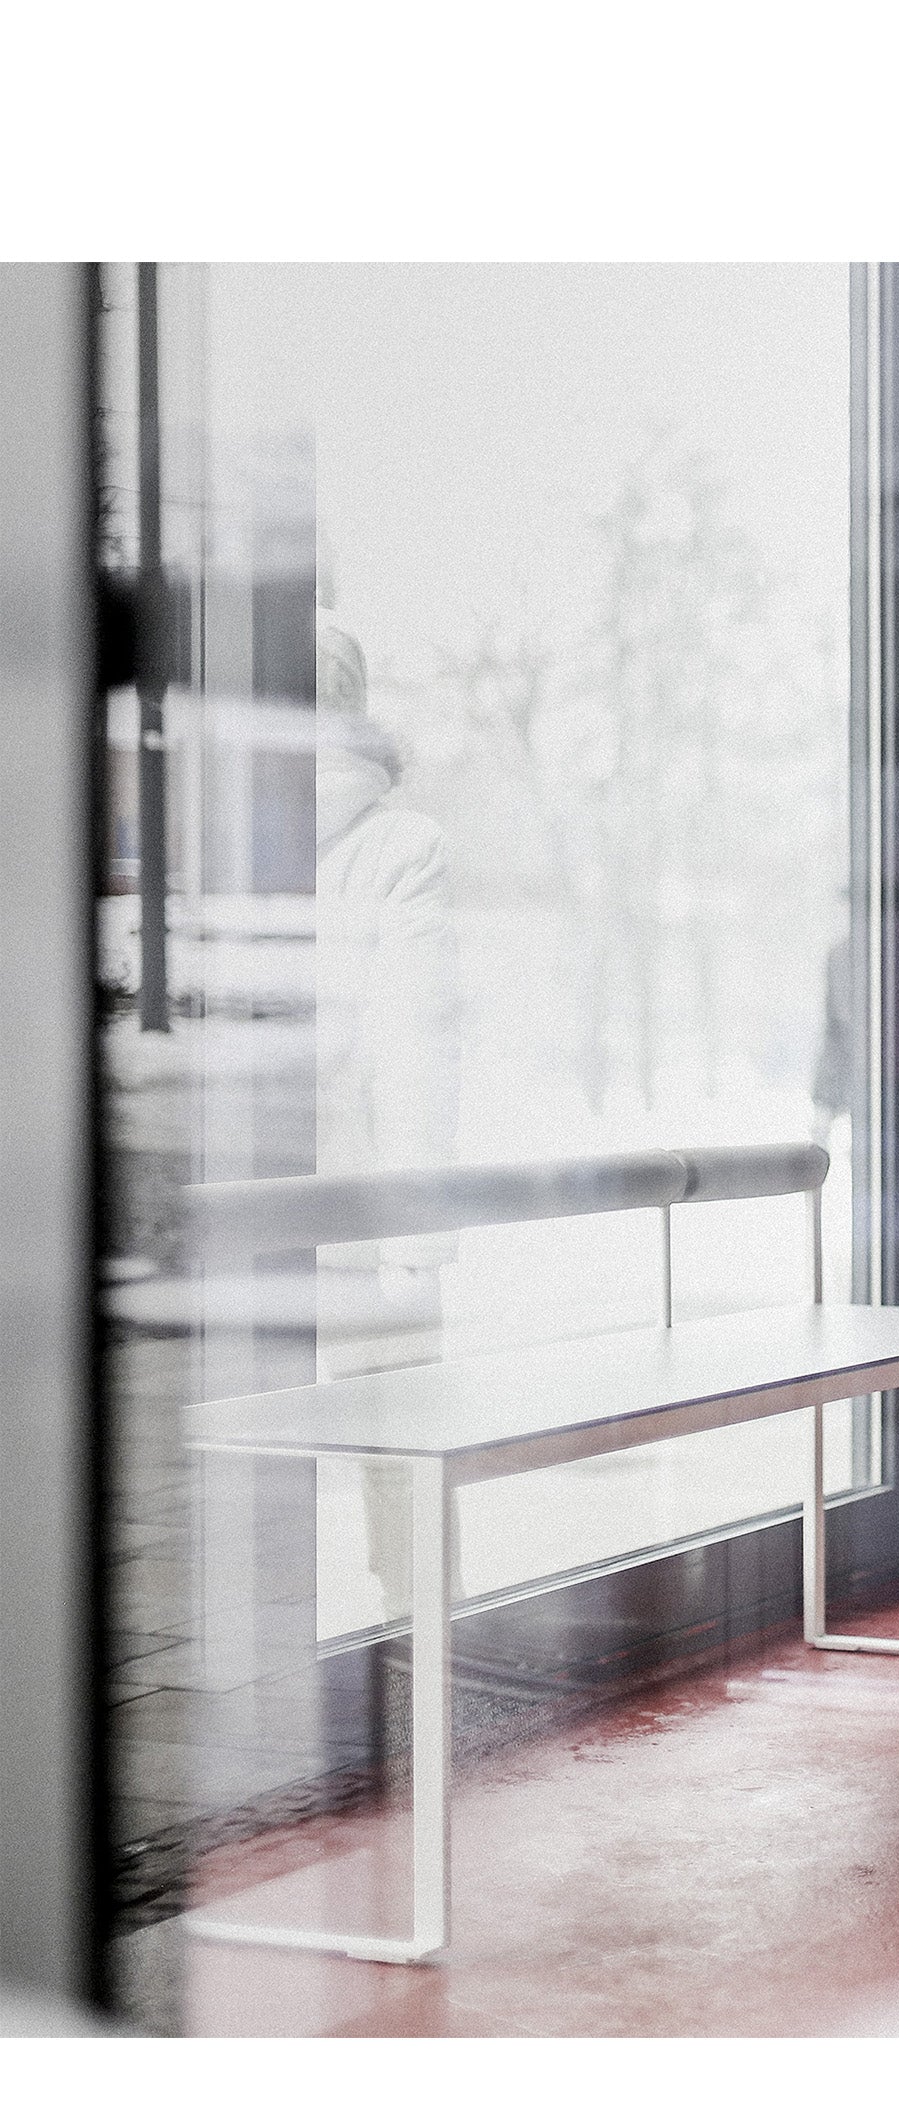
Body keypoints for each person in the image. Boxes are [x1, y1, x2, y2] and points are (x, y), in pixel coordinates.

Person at [313, 613, 461, 1617]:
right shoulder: (401, 845)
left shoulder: (206, 820)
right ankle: (425, 1635)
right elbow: (412, 1049)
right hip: (361, 1203)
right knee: (400, 1429)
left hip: (236, 1196)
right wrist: (417, 1239)